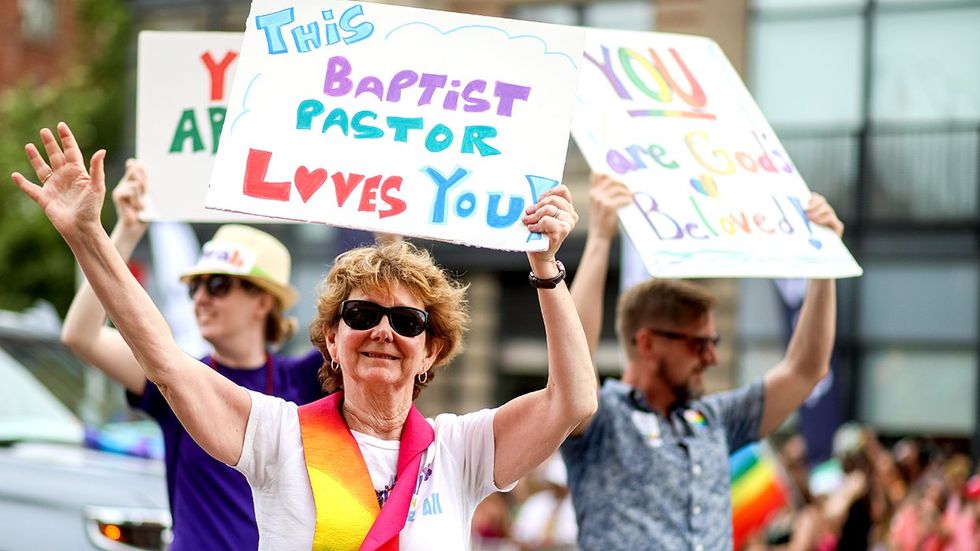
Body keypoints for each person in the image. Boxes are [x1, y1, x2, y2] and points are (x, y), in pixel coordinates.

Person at [13, 122, 597, 549]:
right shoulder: (277, 433)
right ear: (331, 341)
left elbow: (572, 400)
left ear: (432, 351)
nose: (384, 332)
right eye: (362, 316)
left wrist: (545, 268)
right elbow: (163, 359)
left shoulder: (458, 449)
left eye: (408, 322)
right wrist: (90, 235)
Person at [561, 173, 844, 550]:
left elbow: (806, 369)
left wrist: (825, 263)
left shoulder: (714, 418)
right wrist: (599, 239)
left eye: (713, 341)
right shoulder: (602, 418)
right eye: (698, 344)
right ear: (648, 344)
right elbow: (572, 361)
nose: (711, 357)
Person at [58, 159, 326, 549]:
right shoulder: (180, 377)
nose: (200, 299)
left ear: (263, 302)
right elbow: (81, 335)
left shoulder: (302, 380)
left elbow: (383, 336)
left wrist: (390, 241)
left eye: (217, 285)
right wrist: (125, 233)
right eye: (195, 287)